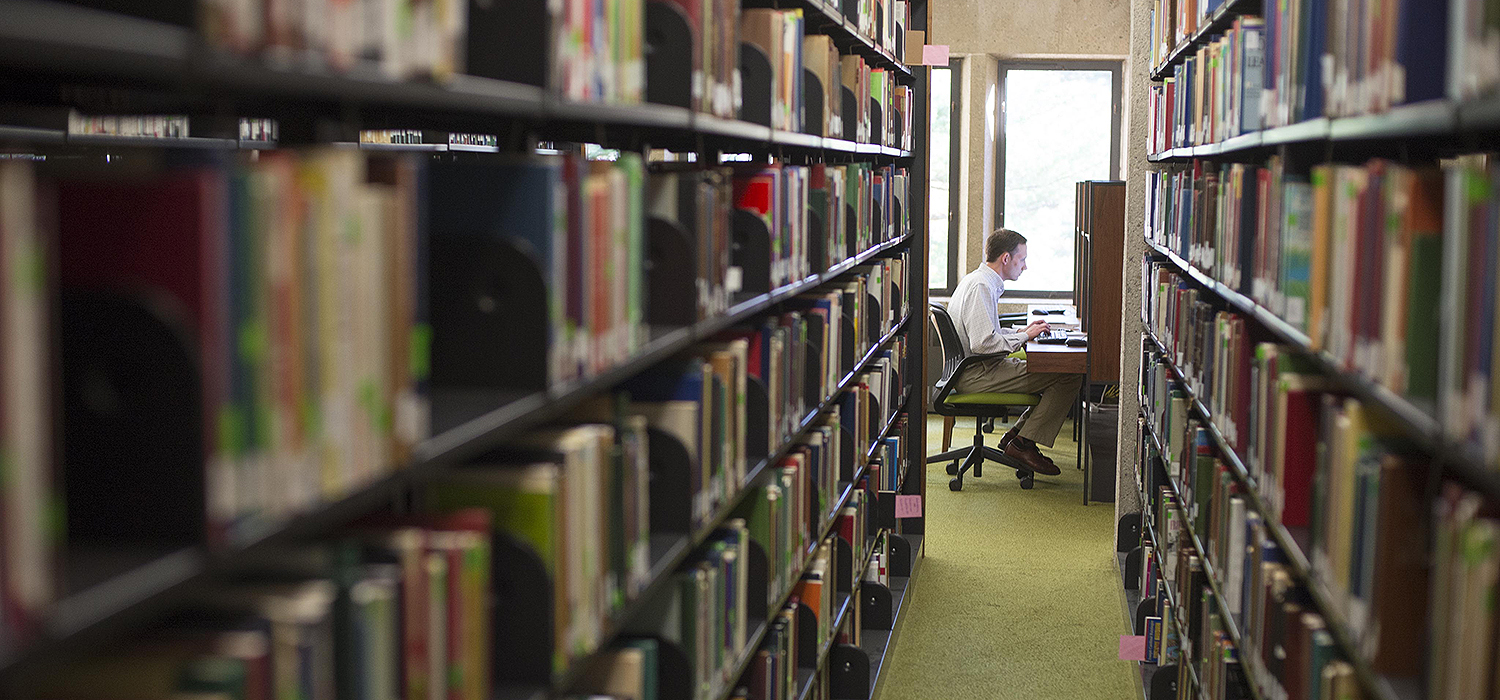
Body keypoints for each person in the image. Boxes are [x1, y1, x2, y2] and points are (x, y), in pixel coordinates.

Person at [945, 228, 1084, 477]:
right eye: (1022, 260)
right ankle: (1022, 443)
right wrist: (1025, 337)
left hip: (976, 369)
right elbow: (983, 344)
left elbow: (988, 332)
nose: (1025, 267)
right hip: (977, 375)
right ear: (1006, 259)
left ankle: (1019, 437)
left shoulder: (979, 280)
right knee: (1069, 375)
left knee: (1058, 372)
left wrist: (1022, 331)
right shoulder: (982, 287)